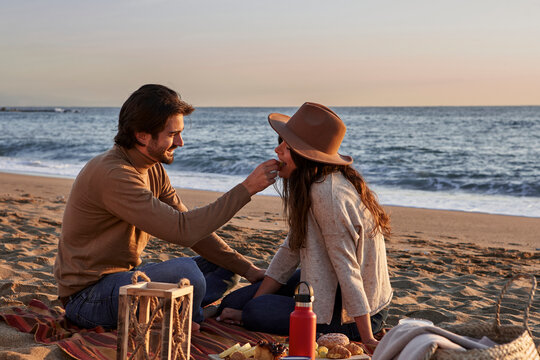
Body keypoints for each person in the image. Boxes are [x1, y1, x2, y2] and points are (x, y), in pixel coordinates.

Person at [53, 84, 279, 330]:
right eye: (173, 134)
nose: (181, 142)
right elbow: (182, 231)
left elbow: (193, 230)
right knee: (186, 271)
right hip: (88, 298)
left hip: (126, 279)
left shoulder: (153, 167)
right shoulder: (114, 174)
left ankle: (180, 310)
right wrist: (247, 188)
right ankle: (189, 318)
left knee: (224, 266)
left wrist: (250, 270)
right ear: (142, 135)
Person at [216, 102, 393, 346]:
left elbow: (347, 268)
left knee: (255, 311)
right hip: (331, 285)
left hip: (346, 316)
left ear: (304, 155)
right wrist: (251, 302)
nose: (277, 150)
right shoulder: (317, 182)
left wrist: (368, 338)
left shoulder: (326, 196)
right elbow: (290, 251)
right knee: (232, 304)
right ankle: (251, 308)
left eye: (286, 147)